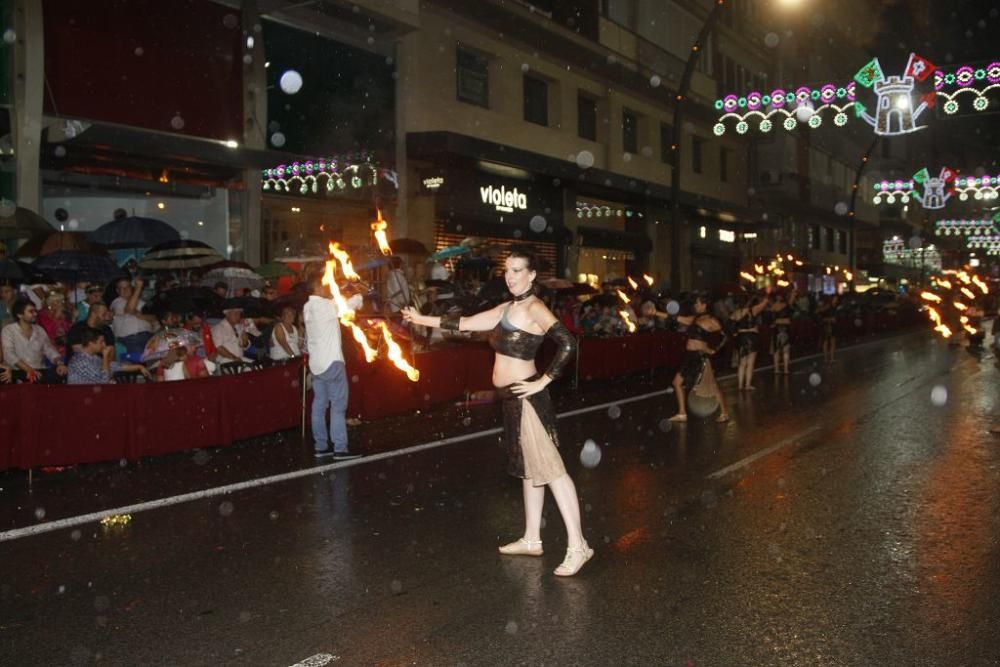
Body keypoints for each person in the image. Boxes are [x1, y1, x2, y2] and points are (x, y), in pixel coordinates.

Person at [402, 247, 592, 577]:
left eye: (518, 270)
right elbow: (464, 323)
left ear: (532, 275)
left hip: (527, 399)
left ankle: (579, 545)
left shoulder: (534, 306)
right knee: (530, 471)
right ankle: (532, 538)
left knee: (553, 472)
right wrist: (421, 319)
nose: (511, 276)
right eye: (508, 270)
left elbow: (567, 342)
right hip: (510, 400)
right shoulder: (508, 307)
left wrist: (542, 381)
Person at [304, 277, 363, 460]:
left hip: (316, 365)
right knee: (338, 406)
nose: (328, 287)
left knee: (319, 405)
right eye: (324, 284)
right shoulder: (324, 306)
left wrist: (345, 290)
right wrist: (358, 292)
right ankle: (340, 448)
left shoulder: (308, 307)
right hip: (332, 363)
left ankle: (321, 446)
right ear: (317, 287)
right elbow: (353, 304)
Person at [668, 295, 731, 423]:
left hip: (700, 357)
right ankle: (682, 413)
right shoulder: (695, 318)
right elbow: (677, 318)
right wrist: (656, 312)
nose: (695, 306)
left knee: (713, 387)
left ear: (704, 305)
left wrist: (712, 350)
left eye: (697, 304)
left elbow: (726, 336)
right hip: (689, 356)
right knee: (676, 383)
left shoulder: (711, 320)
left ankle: (725, 413)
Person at [1, 299, 68, 383]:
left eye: (35, 311)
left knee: (60, 373)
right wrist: (29, 370)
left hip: (39, 370)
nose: (35, 314)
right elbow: (9, 354)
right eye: (31, 311)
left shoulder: (39, 330)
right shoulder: (9, 330)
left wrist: (59, 363)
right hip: (16, 371)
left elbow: (49, 349)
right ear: (19, 315)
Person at [68, 327, 150, 384]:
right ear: (91, 343)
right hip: (81, 399)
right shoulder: (80, 361)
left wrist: (139, 367)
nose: (104, 345)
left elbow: (114, 366)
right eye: (101, 342)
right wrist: (105, 356)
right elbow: (104, 380)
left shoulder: (94, 357)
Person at [110, 277, 157, 359]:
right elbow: (129, 309)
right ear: (117, 291)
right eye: (122, 288)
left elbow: (154, 317)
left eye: (128, 287)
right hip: (131, 339)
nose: (125, 289)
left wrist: (141, 315)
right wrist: (138, 288)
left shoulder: (142, 302)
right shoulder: (117, 302)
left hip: (149, 337)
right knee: (141, 360)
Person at [730, 293, 769, 391]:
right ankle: (747, 385)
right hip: (752, 337)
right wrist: (767, 293)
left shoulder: (735, 313)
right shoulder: (753, 310)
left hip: (741, 337)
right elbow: (765, 302)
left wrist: (735, 333)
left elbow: (729, 325)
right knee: (750, 363)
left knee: (742, 363)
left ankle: (740, 385)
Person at [37, 289, 72, 358]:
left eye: (60, 301)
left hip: (64, 348)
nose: (59, 304)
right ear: (49, 303)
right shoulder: (42, 314)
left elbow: (69, 329)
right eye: (56, 302)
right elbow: (47, 329)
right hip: (49, 349)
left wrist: (73, 317)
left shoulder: (64, 314)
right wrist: (56, 316)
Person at [769, 295, 792, 374]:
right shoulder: (786, 304)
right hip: (784, 327)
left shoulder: (774, 306)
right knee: (785, 349)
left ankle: (777, 369)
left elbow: (770, 317)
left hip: (778, 327)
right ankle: (785, 369)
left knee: (777, 350)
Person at [817, 295, 839, 363]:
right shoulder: (828, 306)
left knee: (832, 342)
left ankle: (831, 358)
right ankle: (826, 358)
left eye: (836, 299)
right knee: (826, 342)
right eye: (835, 299)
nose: (836, 300)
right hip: (827, 326)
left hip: (832, 325)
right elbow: (819, 313)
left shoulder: (834, 306)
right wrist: (829, 319)